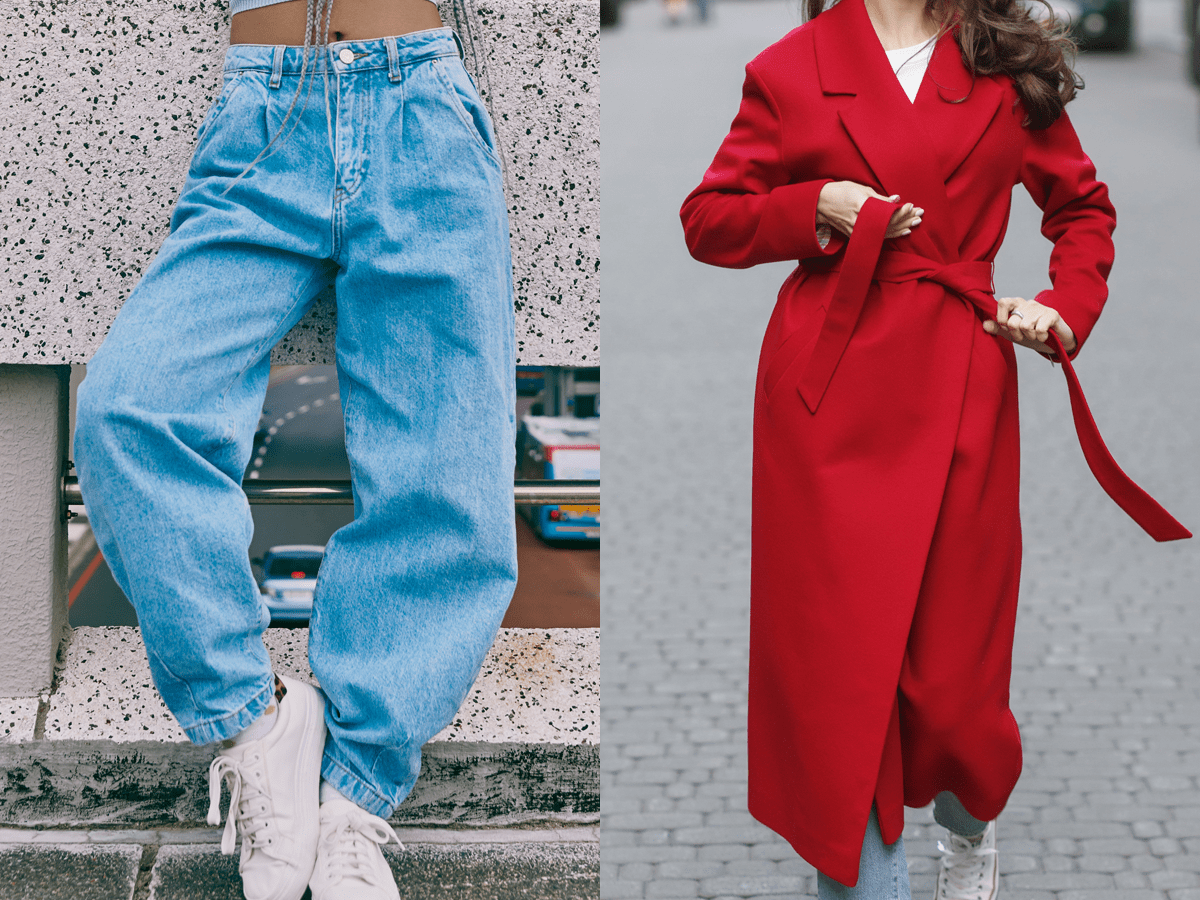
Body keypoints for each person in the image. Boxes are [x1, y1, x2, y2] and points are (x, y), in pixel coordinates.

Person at [679, 0, 1188, 896]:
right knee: (844, 671)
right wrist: (816, 205)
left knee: (956, 684)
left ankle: (968, 820)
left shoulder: (1003, 58)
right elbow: (709, 219)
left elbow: (1083, 209)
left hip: (962, 384)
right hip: (825, 397)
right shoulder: (792, 67)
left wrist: (1065, 305)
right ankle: (866, 877)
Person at [72, 0, 517, 897]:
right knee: (128, 411)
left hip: (420, 107)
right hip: (264, 116)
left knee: (442, 474)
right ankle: (260, 727)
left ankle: (355, 794)